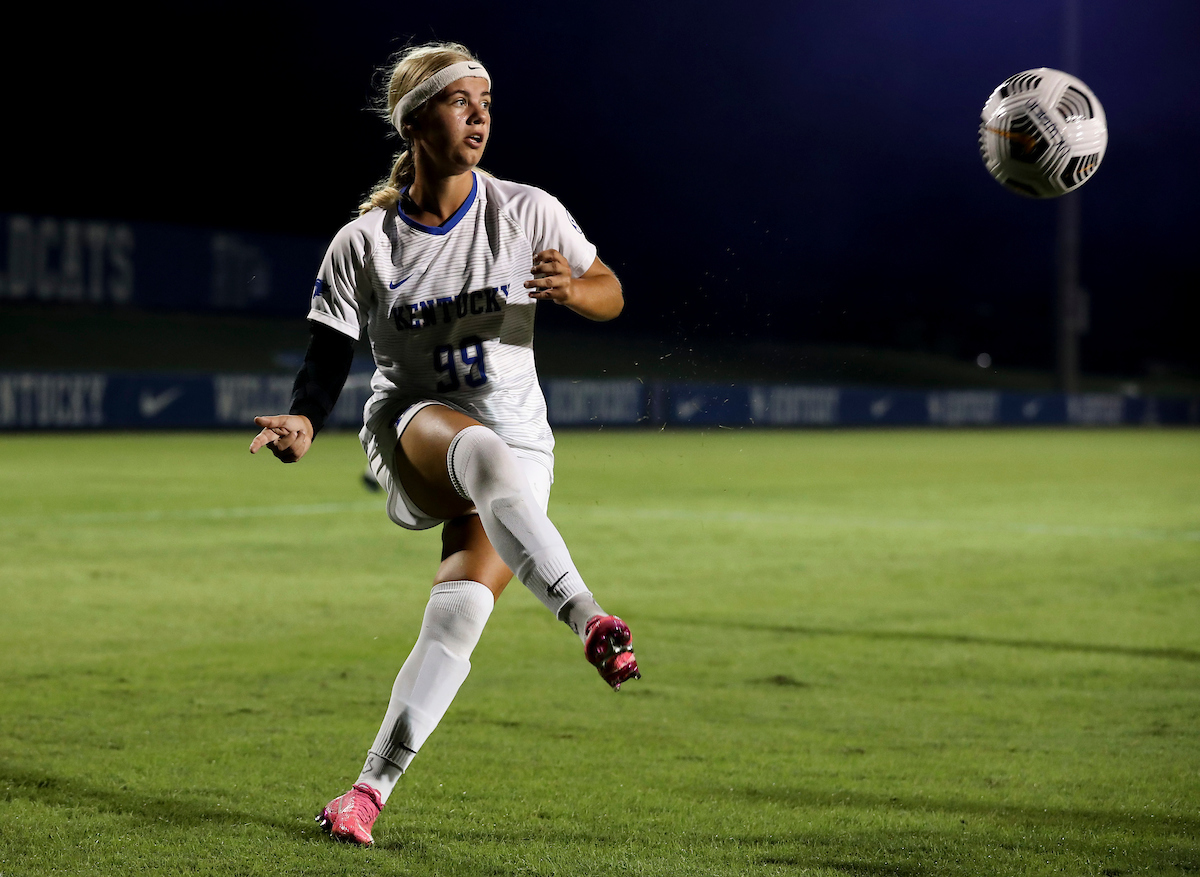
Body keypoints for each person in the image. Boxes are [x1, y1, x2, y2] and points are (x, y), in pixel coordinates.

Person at [248, 41, 640, 847]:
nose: (480, 116)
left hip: (522, 443)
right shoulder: (365, 242)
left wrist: (574, 289)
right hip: (413, 428)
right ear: (415, 121)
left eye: (486, 102)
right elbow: (328, 350)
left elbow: (611, 290)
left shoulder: (527, 209)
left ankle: (365, 793)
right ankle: (590, 619)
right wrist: (304, 418)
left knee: (458, 613)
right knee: (479, 451)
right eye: (461, 101)